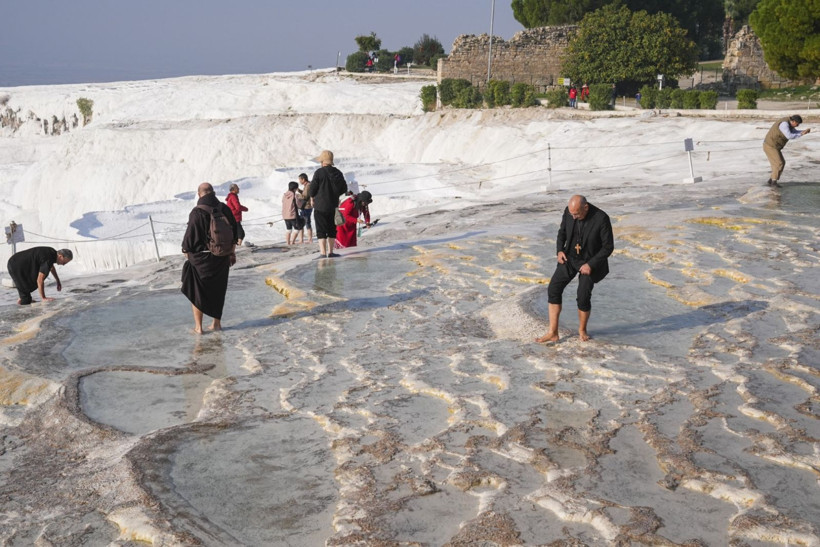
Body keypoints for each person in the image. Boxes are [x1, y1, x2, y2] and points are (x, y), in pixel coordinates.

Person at [536, 195, 614, 344]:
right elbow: (562, 232)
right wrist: (559, 250)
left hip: (590, 263)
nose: (574, 216)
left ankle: (582, 330)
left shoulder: (601, 218)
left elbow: (608, 247)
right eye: (572, 214)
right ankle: (553, 332)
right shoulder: (569, 211)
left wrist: (591, 264)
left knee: (583, 295)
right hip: (570, 257)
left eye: (576, 214)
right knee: (553, 288)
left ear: (586, 207)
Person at [181, 182, 238, 334]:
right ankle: (216, 324)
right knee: (219, 291)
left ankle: (198, 327)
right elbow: (236, 232)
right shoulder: (224, 208)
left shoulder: (197, 212)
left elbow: (189, 241)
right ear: (212, 192)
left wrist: (186, 252)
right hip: (222, 258)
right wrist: (231, 253)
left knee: (197, 292)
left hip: (201, 260)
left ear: (199, 194)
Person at [309, 150, 348, 258]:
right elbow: (344, 188)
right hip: (333, 206)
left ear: (323, 162)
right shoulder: (338, 173)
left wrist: (314, 196)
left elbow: (312, 190)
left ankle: (322, 253)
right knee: (331, 229)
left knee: (321, 229)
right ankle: (331, 252)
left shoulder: (319, 172)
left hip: (320, 206)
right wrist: (334, 195)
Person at [6, 247, 72, 305]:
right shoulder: (49, 258)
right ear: (60, 256)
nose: (63, 264)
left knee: (42, 273)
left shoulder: (52, 253)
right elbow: (40, 280)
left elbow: (51, 267)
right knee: (25, 297)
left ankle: (23, 297)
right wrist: (43, 298)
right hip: (16, 265)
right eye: (64, 262)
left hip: (17, 262)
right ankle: (23, 299)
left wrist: (58, 280)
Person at [762, 114, 811, 188]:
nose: (797, 125)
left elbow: (794, 132)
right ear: (793, 121)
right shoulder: (784, 124)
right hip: (770, 145)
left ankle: (771, 180)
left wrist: (803, 132)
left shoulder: (790, 124)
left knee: (781, 163)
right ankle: (773, 182)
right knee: (779, 163)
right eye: (797, 124)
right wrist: (801, 133)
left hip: (775, 146)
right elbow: (789, 135)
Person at [298, 173, 313, 244]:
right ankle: (304, 239)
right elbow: (305, 194)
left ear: (303, 179)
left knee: (306, 222)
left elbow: (305, 197)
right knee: (306, 222)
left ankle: (309, 239)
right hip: (307, 206)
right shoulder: (307, 185)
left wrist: (298, 196)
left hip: (307, 206)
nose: (299, 181)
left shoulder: (308, 185)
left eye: (300, 179)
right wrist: (299, 191)